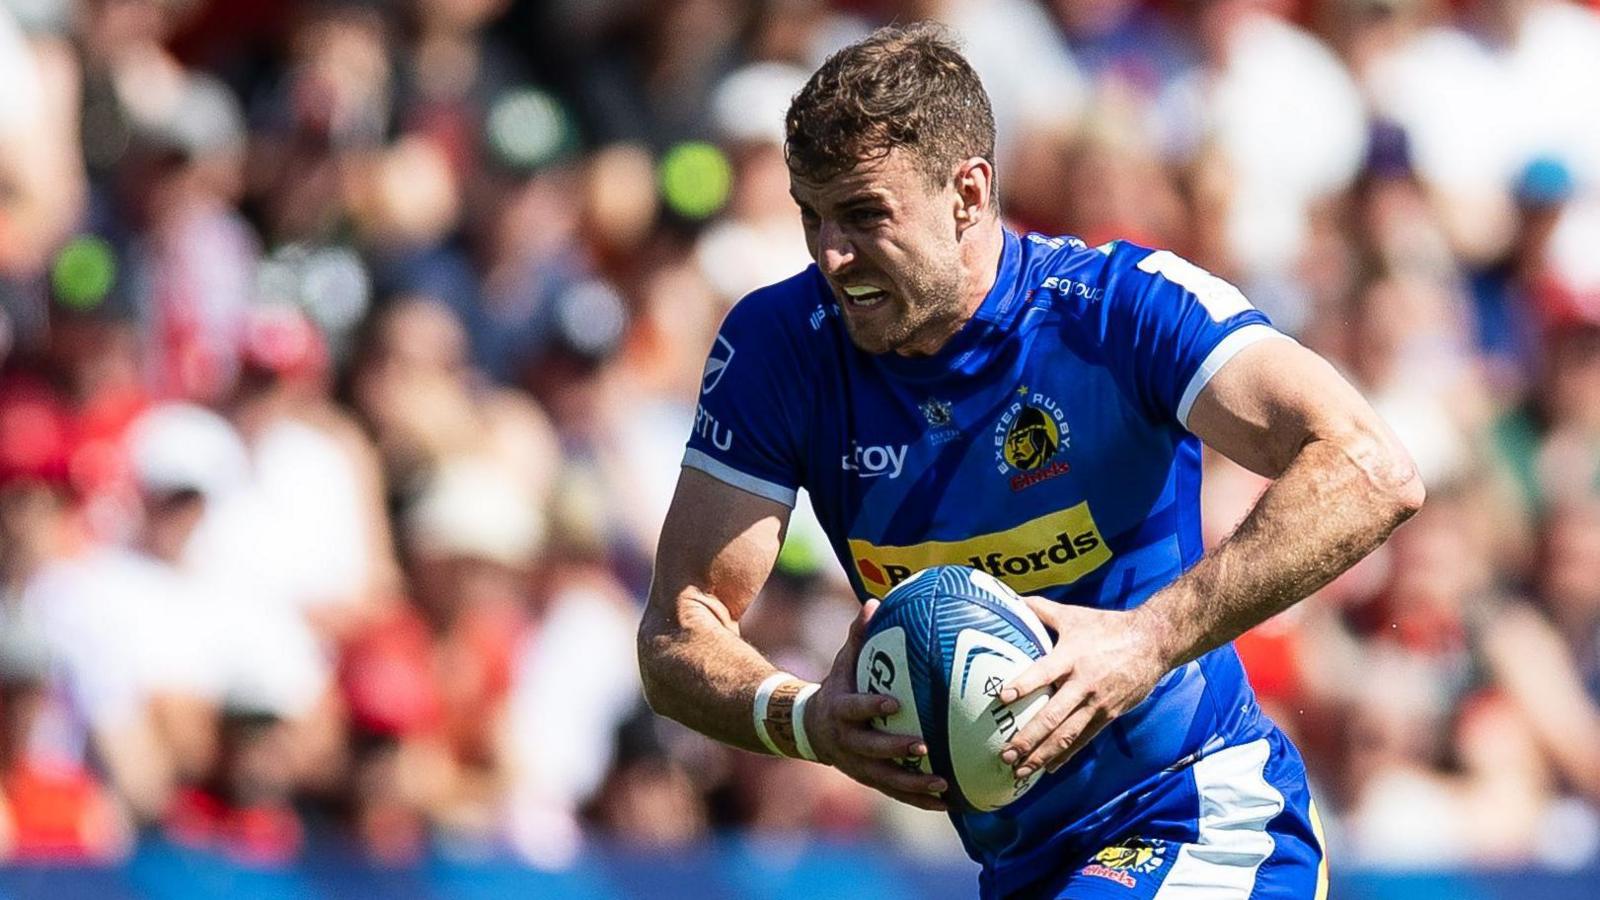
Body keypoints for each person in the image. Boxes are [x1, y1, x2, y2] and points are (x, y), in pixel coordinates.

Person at [637, 23, 1423, 899]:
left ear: (968, 193)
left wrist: (1146, 640)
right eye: (810, 215)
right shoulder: (779, 350)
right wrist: (804, 720)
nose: (831, 255)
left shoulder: (1121, 311)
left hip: (1201, 815)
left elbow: (1369, 468)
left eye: (864, 214)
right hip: (1025, 867)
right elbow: (678, 632)